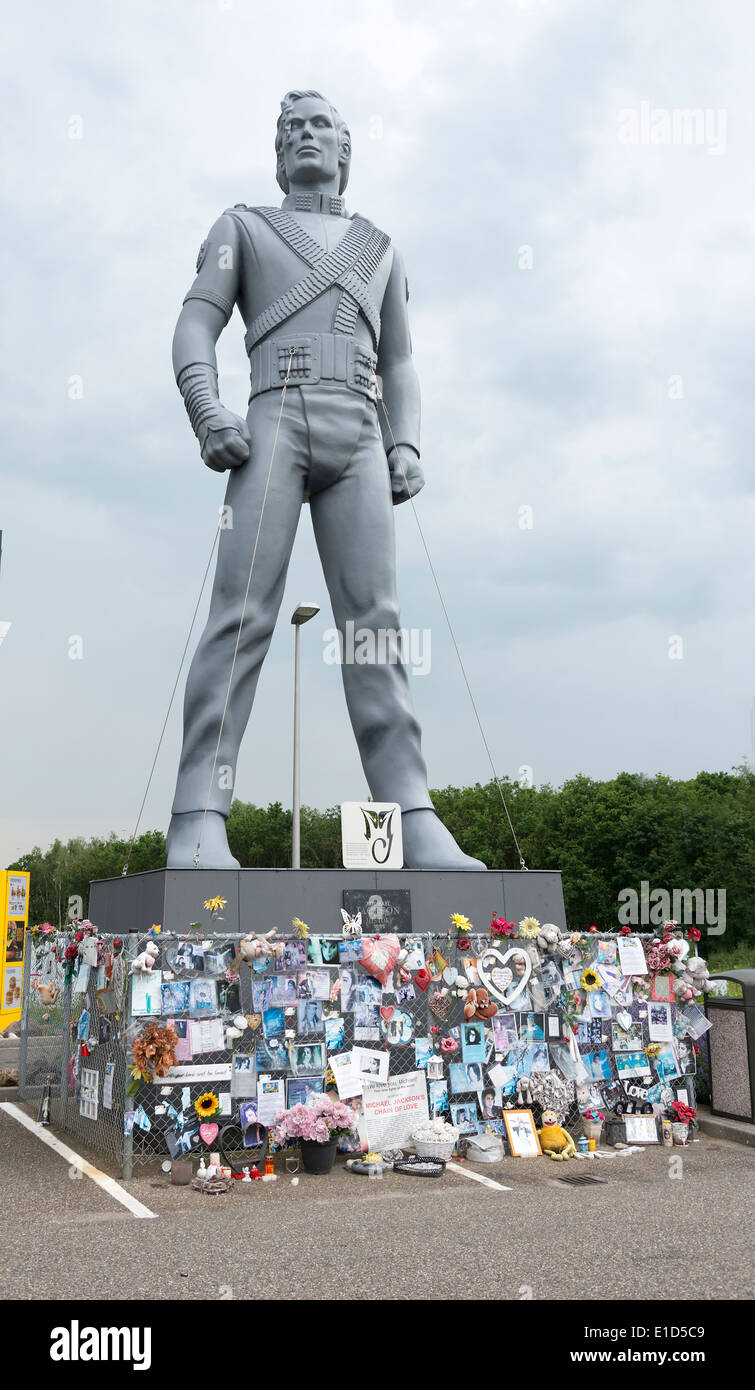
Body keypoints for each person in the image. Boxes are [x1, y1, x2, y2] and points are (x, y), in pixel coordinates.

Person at [165, 89, 486, 872]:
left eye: (320, 127)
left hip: (360, 433)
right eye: (291, 128)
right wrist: (208, 413)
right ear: (278, 152)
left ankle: (412, 815)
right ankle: (199, 814)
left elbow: (403, 360)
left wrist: (405, 442)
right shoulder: (240, 227)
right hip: (272, 419)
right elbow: (196, 323)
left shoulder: (380, 247)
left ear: (345, 149)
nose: (305, 136)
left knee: (375, 623)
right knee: (240, 615)